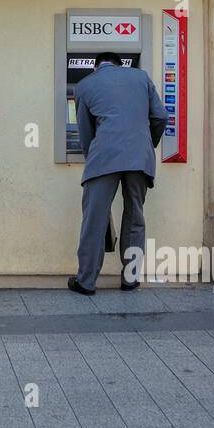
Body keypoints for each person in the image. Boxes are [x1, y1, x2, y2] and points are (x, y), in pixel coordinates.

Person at [68, 51, 168, 294]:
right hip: (139, 157)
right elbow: (161, 116)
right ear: (120, 64)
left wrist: (95, 153)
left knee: (95, 218)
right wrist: (146, 143)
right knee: (135, 216)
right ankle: (130, 279)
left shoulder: (84, 85)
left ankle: (86, 281)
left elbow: (85, 131)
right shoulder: (141, 77)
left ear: (95, 68)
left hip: (103, 156)